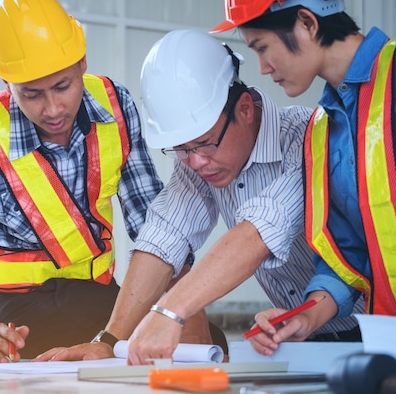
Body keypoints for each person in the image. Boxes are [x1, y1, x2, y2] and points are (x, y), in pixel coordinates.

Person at [35, 29, 364, 365]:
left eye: (204, 143)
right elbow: (164, 236)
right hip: (302, 339)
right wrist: (108, 341)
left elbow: (260, 230)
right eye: (181, 149)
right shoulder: (199, 160)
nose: (195, 162)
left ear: (245, 109)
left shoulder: (309, 139)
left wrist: (169, 311)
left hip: (373, 330)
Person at [0, 0, 164, 363]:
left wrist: (174, 311)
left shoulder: (116, 106)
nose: (52, 108)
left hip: (103, 297)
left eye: (63, 86)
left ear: (82, 63)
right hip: (20, 315)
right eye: (31, 94)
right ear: (6, 81)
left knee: (201, 343)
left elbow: (155, 226)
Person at [210, 0, 396, 355]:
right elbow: (349, 255)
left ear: (308, 24)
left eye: (263, 48)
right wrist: (306, 316)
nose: (262, 68)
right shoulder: (323, 129)